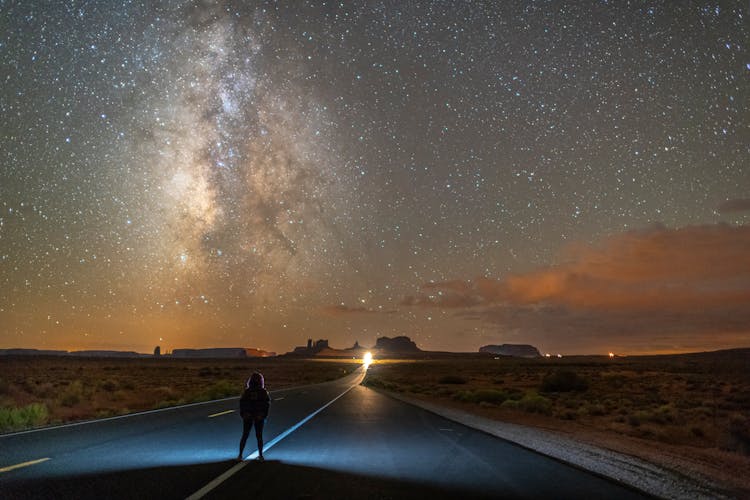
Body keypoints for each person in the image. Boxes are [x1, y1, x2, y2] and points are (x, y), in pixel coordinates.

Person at [238, 371, 271, 461]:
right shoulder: (262, 392)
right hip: (257, 416)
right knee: (258, 436)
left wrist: (244, 414)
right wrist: (263, 415)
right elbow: (267, 404)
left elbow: (242, 404)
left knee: (245, 435)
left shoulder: (247, 391)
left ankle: (240, 455)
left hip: (250, 416)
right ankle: (260, 455)